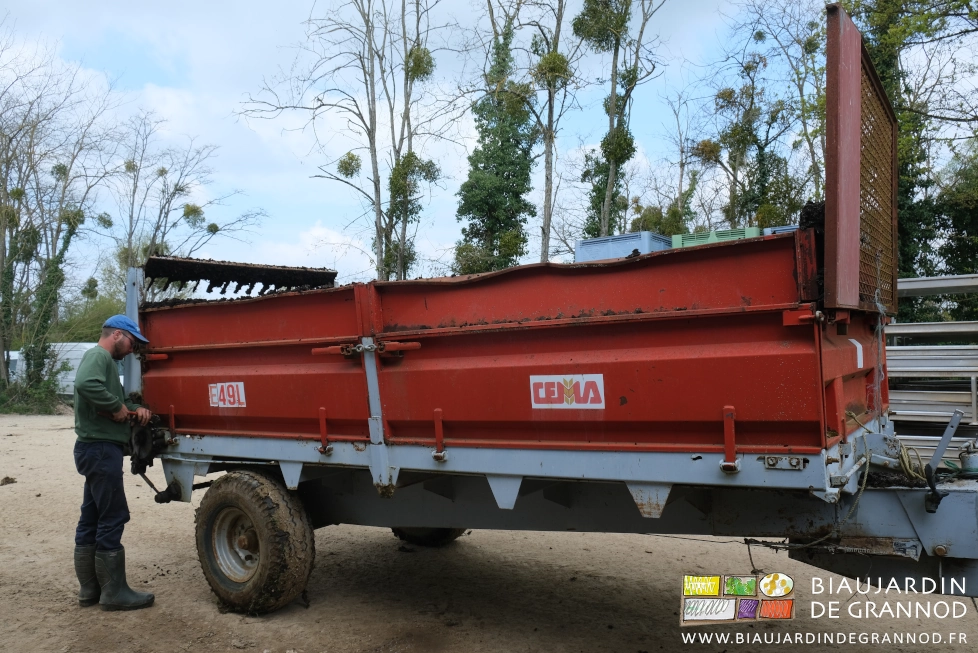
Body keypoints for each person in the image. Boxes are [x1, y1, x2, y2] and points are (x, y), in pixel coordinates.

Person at [72, 315, 155, 611]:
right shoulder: (99, 356)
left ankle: (90, 590)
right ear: (117, 335)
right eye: (132, 342)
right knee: (113, 515)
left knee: (92, 516)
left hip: (93, 449)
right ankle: (114, 593)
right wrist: (115, 406)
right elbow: (85, 384)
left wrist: (134, 409)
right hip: (100, 450)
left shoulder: (106, 363)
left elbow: (113, 399)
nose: (133, 349)